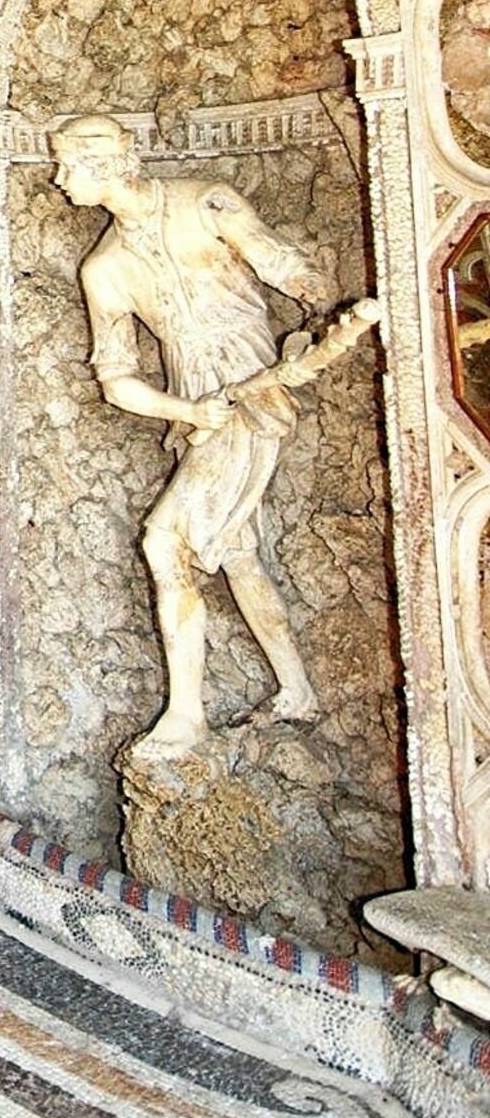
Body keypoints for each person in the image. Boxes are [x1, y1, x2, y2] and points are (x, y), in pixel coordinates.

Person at [51, 114, 329, 758]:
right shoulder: (105, 269)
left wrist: (315, 312)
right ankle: (296, 690)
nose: (61, 180)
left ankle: (186, 716)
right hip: (203, 412)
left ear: (106, 165)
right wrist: (188, 410)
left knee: (166, 541)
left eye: (69, 165)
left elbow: (288, 269)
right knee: (237, 554)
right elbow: (117, 381)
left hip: (255, 396)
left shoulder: (207, 203)